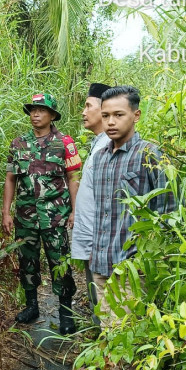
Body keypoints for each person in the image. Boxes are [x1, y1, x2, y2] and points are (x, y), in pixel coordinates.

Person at [83, 85, 175, 370]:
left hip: (132, 268)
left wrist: (146, 258)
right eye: (105, 115)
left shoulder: (150, 155)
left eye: (118, 115)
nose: (110, 122)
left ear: (136, 115)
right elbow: (100, 211)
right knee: (109, 335)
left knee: (129, 336)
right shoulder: (102, 156)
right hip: (103, 261)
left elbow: (168, 212)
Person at [2, 93, 81, 334]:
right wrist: (6, 212)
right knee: (27, 262)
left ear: (52, 115)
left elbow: (73, 178)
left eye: (41, 110)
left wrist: (75, 212)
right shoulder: (18, 143)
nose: (35, 114)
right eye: (32, 110)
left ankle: (66, 314)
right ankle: (31, 306)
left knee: (60, 263)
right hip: (25, 216)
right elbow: (10, 179)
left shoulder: (64, 143)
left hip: (54, 216)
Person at [70, 83, 113, 326]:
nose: (84, 112)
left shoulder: (108, 145)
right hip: (92, 236)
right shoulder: (98, 142)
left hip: (100, 240)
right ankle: (100, 347)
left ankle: (105, 356)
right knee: (96, 294)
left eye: (88, 106)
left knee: (105, 297)